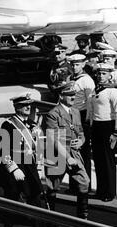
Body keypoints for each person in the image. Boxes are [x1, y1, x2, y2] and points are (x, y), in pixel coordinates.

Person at [0, 93, 54, 227]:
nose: (28, 107)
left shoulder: (32, 125)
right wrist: (14, 169)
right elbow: (2, 151)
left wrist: (39, 167)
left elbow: (37, 148)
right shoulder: (8, 125)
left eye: (29, 104)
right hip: (15, 167)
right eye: (24, 105)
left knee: (36, 201)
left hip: (29, 166)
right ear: (16, 107)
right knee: (11, 201)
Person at [43, 81, 90, 219]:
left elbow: (81, 132)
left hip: (74, 152)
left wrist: (81, 141)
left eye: (74, 94)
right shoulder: (54, 114)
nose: (73, 97)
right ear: (61, 95)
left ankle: (83, 217)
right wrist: (67, 157)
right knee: (53, 187)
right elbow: (53, 138)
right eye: (69, 94)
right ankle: (50, 218)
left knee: (84, 181)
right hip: (57, 153)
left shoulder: (75, 112)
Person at [88, 63, 117, 202]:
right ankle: (101, 190)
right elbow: (92, 110)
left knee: (108, 160)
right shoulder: (95, 89)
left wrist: (116, 132)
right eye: (99, 73)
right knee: (98, 160)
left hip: (107, 126)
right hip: (96, 126)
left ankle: (109, 192)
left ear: (110, 75)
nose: (101, 76)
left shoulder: (112, 92)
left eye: (104, 74)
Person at [66, 54, 95, 182]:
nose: (74, 67)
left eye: (77, 64)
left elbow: (90, 102)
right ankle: (74, 182)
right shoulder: (69, 78)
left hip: (82, 116)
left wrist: (88, 121)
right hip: (71, 115)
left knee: (83, 152)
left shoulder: (86, 80)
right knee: (72, 150)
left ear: (83, 64)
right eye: (72, 64)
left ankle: (84, 183)